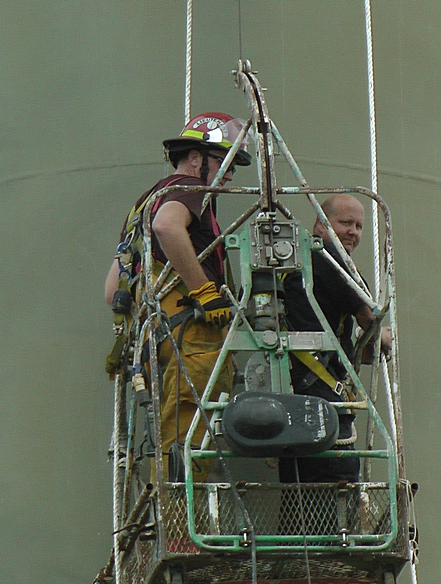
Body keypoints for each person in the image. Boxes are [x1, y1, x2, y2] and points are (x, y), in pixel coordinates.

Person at [104, 112, 251, 482]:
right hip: (193, 331)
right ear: (198, 158)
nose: (231, 175)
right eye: (227, 163)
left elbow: (112, 291)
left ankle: (170, 523)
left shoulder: (145, 203)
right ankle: (184, 534)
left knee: (170, 437)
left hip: (158, 335)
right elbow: (167, 227)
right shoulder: (188, 188)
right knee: (194, 431)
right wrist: (203, 290)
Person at [278, 194, 392, 485]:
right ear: (321, 224)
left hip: (296, 393)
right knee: (334, 480)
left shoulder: (301, 262)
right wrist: (384, 337)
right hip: (321, 395)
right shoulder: (331, 260)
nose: (353, 231)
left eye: (359, 226)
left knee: (300, 489)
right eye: (345, 223)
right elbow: (370, 320)